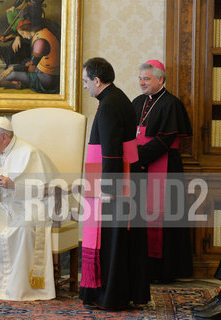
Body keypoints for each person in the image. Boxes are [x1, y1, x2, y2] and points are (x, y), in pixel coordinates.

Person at [79, 57, 150, 310]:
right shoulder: (119, 97)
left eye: (86, 81)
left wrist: (107, 189)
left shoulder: (108, 104)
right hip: (124, 179)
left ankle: (108, 296)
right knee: (119, 242)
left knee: (109, 242)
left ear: (97, 80)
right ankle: (119, 293)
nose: (85, 86)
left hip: (111, 183)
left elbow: (110, 151)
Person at [0, 117, 59, 301]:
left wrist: (14, 185)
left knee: (22, 229)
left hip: (32, 207)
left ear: (4, 137)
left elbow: (45, 189)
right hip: (7, 207)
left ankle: (21, 289)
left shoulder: (29, 153)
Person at [132, 60, 193, 283]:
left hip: (164, 167)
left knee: (163, 219)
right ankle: (143, 268)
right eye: (140, 78)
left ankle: (163, 271)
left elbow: (166, 139)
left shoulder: (171, 103)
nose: (141, 83)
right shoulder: (137, 102)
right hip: (140, 168)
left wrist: (139, 157)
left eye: (146, 79)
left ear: (161, 79)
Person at [0, 19, 59, 93]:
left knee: (12, 73)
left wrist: (11, 69)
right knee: (11, 67)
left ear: (27, 30)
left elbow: (31, 65)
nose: (23, 37)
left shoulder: (39, 42)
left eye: (22, 34)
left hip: (48, 79)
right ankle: (18, 82)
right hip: (42, 70)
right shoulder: (41, 32)